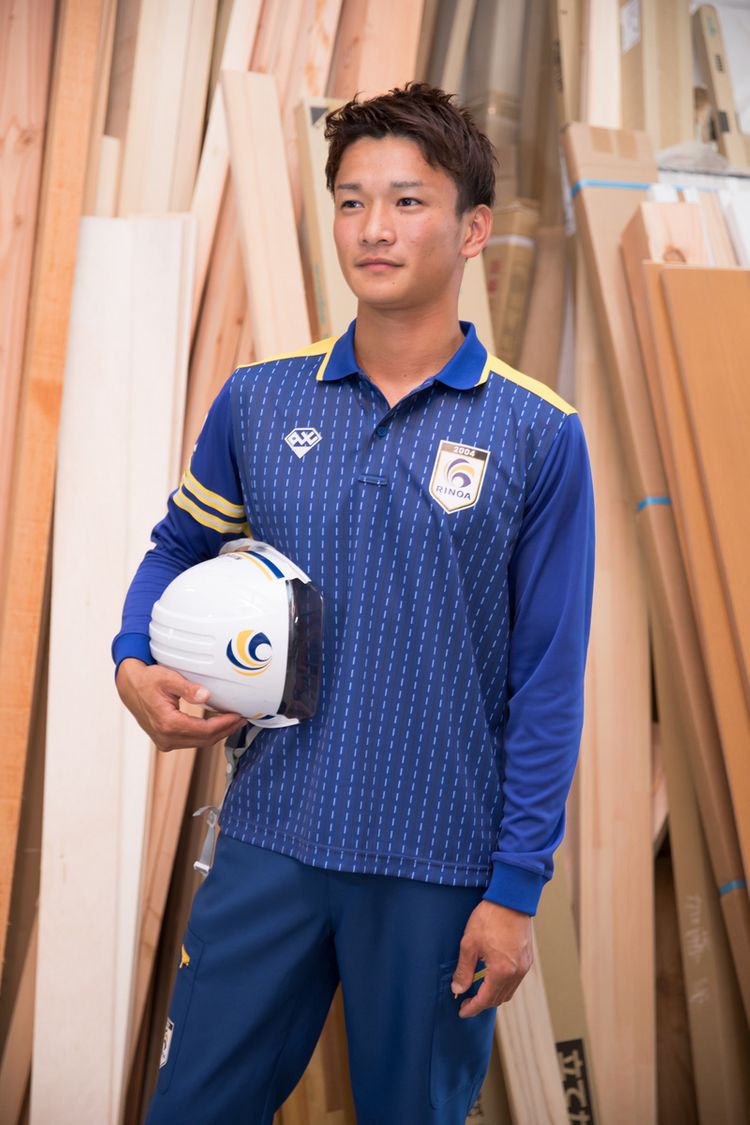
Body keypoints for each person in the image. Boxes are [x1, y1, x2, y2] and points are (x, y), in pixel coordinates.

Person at [113, 82, 595, 1124]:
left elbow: (549, 682)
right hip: (271, 837)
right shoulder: (259, 399)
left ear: (473, 229)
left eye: (408, 201)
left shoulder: (538, 434)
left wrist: (514, 889)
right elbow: (176, 549)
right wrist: (131, 661)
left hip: (437, 867)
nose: (374, 227)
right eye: (350, 201)